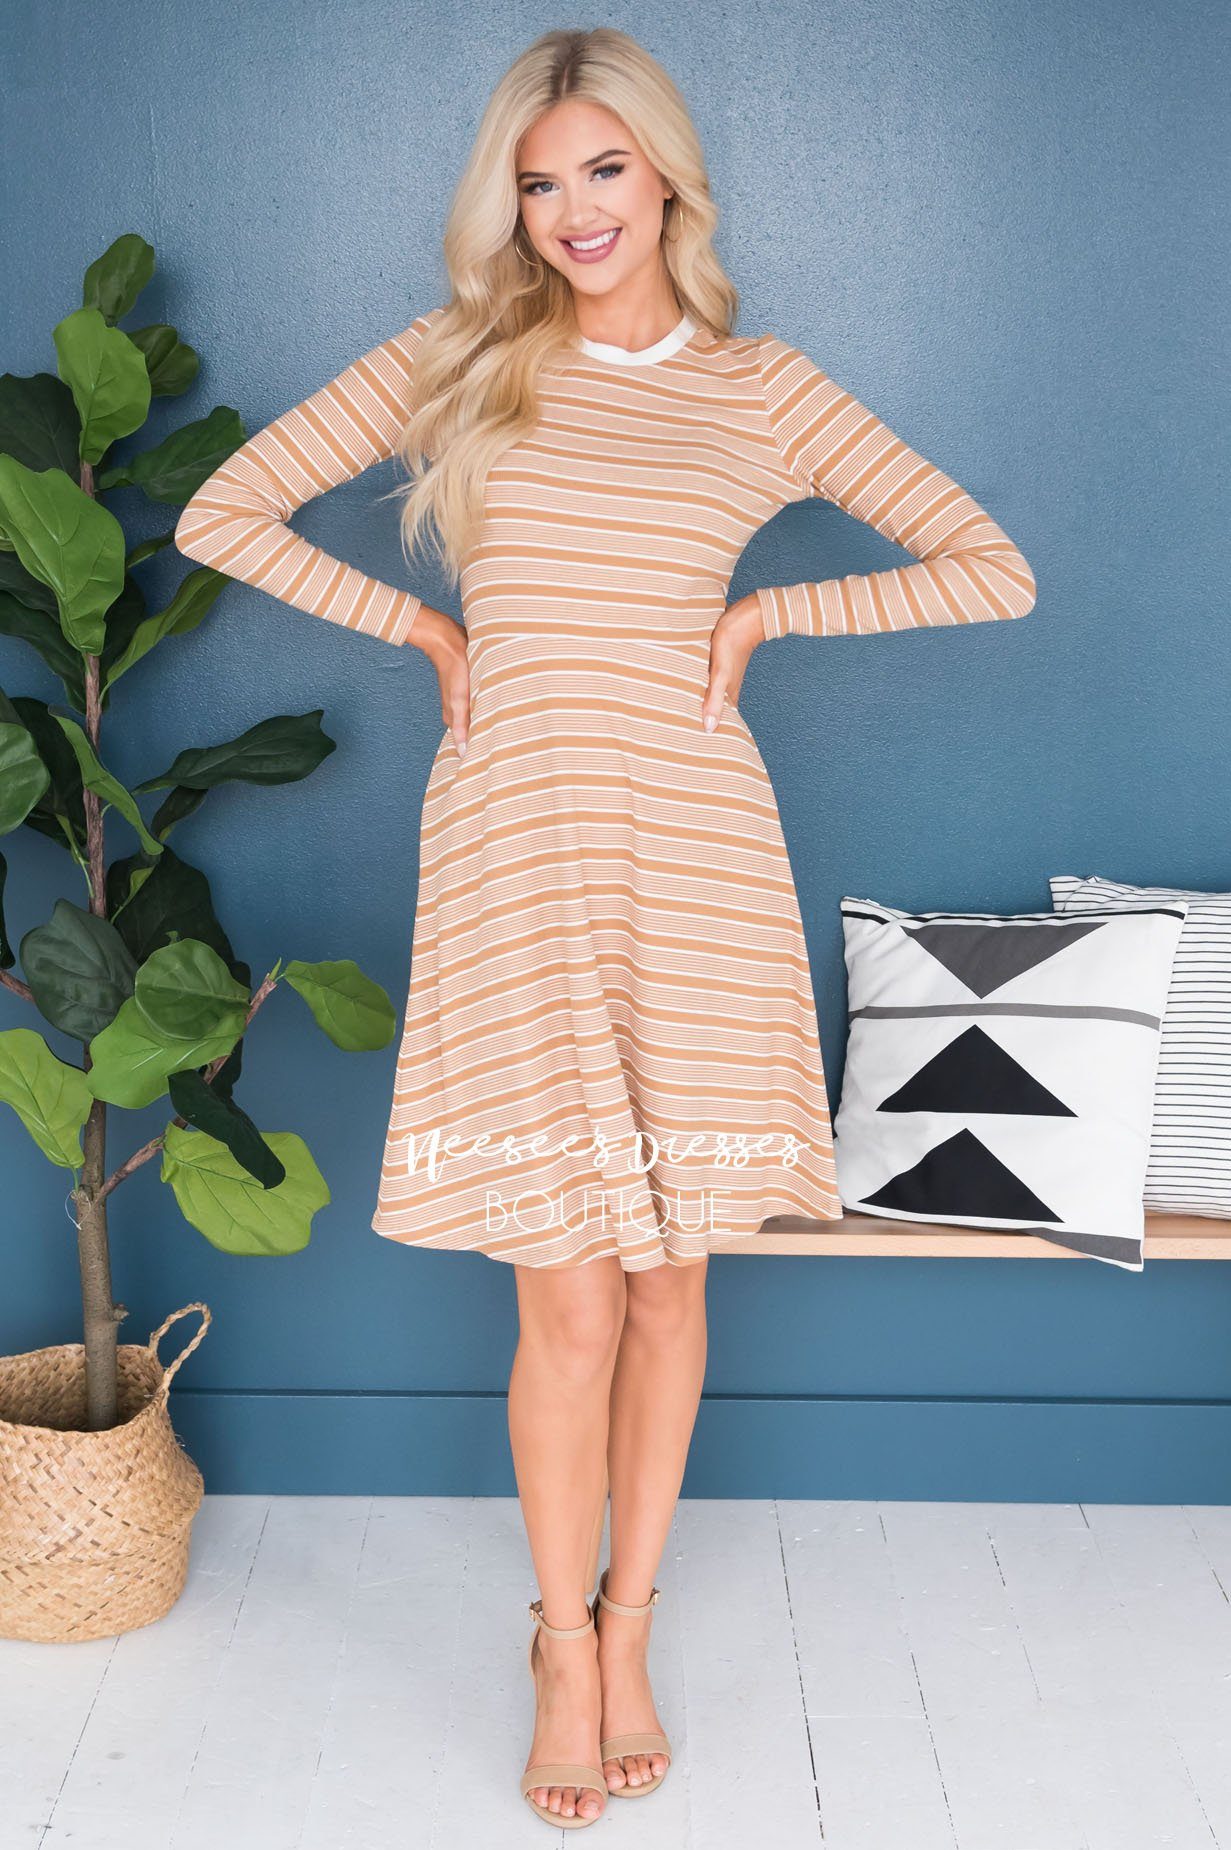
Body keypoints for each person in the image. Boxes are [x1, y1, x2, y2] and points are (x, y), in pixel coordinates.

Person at [174, 25, 1036, 1829]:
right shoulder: (461, 357)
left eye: (604, 170)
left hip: (698, 860)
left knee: (669, 1282)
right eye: (539, 181)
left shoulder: (762, 390)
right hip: (513, 851)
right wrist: (424, 629)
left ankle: (629, 1625)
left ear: (667, 179)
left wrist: (766, 622)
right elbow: (221, 510)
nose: (573, 211)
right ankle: (558, 1643)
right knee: (564, 1293)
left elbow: (992, 565)